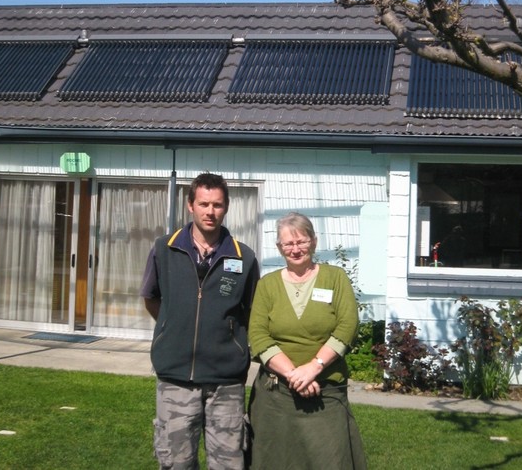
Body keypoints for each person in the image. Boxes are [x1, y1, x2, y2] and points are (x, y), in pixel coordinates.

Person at [140, 172, 259, 470]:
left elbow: (251, 310)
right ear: (190, 204)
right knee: (176, 462)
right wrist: (172, 327)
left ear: (227, 207)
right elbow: (151, 297)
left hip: (226, 380)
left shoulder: (244, 257)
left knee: (229, 464)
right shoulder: (164, 249)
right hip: (175, 377)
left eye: (217, 205)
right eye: (204, 204)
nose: (210, 211)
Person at [246, 212, 367, 470]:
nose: (295, 249)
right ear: (279, 248)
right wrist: (294, 375)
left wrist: (314, 368)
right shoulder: (267, 285)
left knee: (331, 460)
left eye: (301, 241)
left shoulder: (335, 279)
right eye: (288, 244)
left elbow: (347, 326)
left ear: (313, 241)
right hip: (276, 398)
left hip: (325, 394)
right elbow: (257, 335)